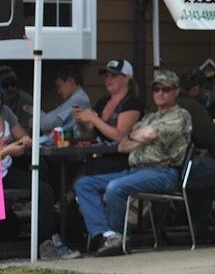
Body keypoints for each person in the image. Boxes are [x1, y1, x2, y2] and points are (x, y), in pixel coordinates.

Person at [73, 68, 192, 257]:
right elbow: (123, 145)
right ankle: (107, 235)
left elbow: (148, 134)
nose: (160, 93)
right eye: (156, 89)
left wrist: (139, 136)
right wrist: (137, 137)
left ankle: (118, 237)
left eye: (166, 89)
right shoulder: (150, 117)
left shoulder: (180, 115)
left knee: (114, 188)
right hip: (136, 171)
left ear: (176, 91)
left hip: (163, 172)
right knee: (84, 184)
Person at [1, 103, 79, 259]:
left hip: (6, 168)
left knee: (44, 178)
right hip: (4, 166)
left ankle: (51, 235)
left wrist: (25, 141)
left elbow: (22, 135)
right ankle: (47, 239)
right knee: (42, 187)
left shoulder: (5, 110)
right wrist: (7, 151)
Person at [173, 70, 215, 244]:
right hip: (182, 167)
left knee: (211, 171)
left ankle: (199, 227)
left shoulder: (171, 104)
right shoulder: (194, 106)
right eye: (210, 85)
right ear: (196, 88)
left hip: (167, 166)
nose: (214, 88)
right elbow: (214, 138)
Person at [40, 65, 92, 134]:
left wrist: (36, 122)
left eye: (59, 86)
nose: (58, 92)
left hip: (72, 142)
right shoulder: (76, 98)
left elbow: (54, 121)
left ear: (71, 81)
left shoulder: (78, 100)